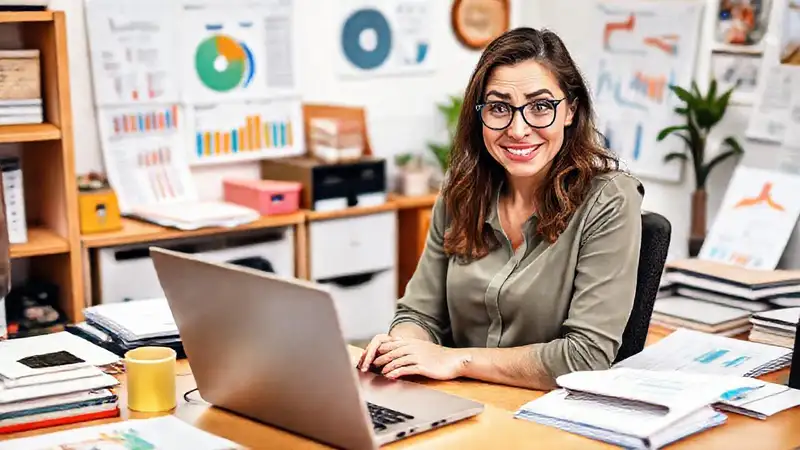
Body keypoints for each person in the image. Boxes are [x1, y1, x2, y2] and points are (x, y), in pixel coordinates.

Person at [358, 27, 644, 390]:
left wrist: (455, 360)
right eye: (499, 107)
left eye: (541, 107)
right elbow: (419, 313)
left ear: (570, 111)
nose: (518, 129)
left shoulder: (609, 199)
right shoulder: (461, 194)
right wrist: (402, 347)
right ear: (480, 115)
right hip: (458, 402)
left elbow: (584, 358)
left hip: (545, 416)